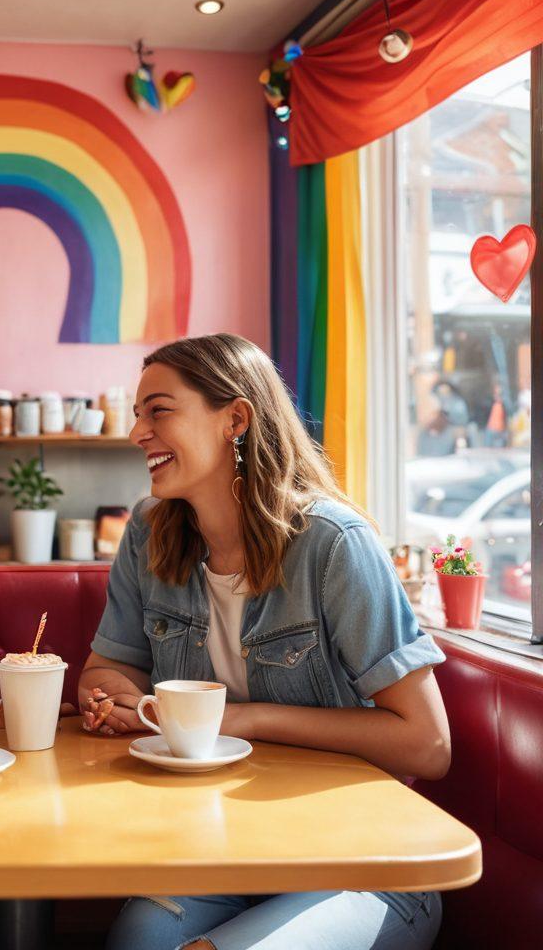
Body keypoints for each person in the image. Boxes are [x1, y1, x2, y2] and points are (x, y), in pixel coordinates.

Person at [79, 334, 450, 950]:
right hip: (214, 852)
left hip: (361, 862)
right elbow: (106, 671)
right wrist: (115, 700)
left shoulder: (334, 543)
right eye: (138, 413)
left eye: (159, 410)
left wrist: (242, 719)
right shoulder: (149, 535)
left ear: (236, 419)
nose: (137, 431)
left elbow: (428, 743)